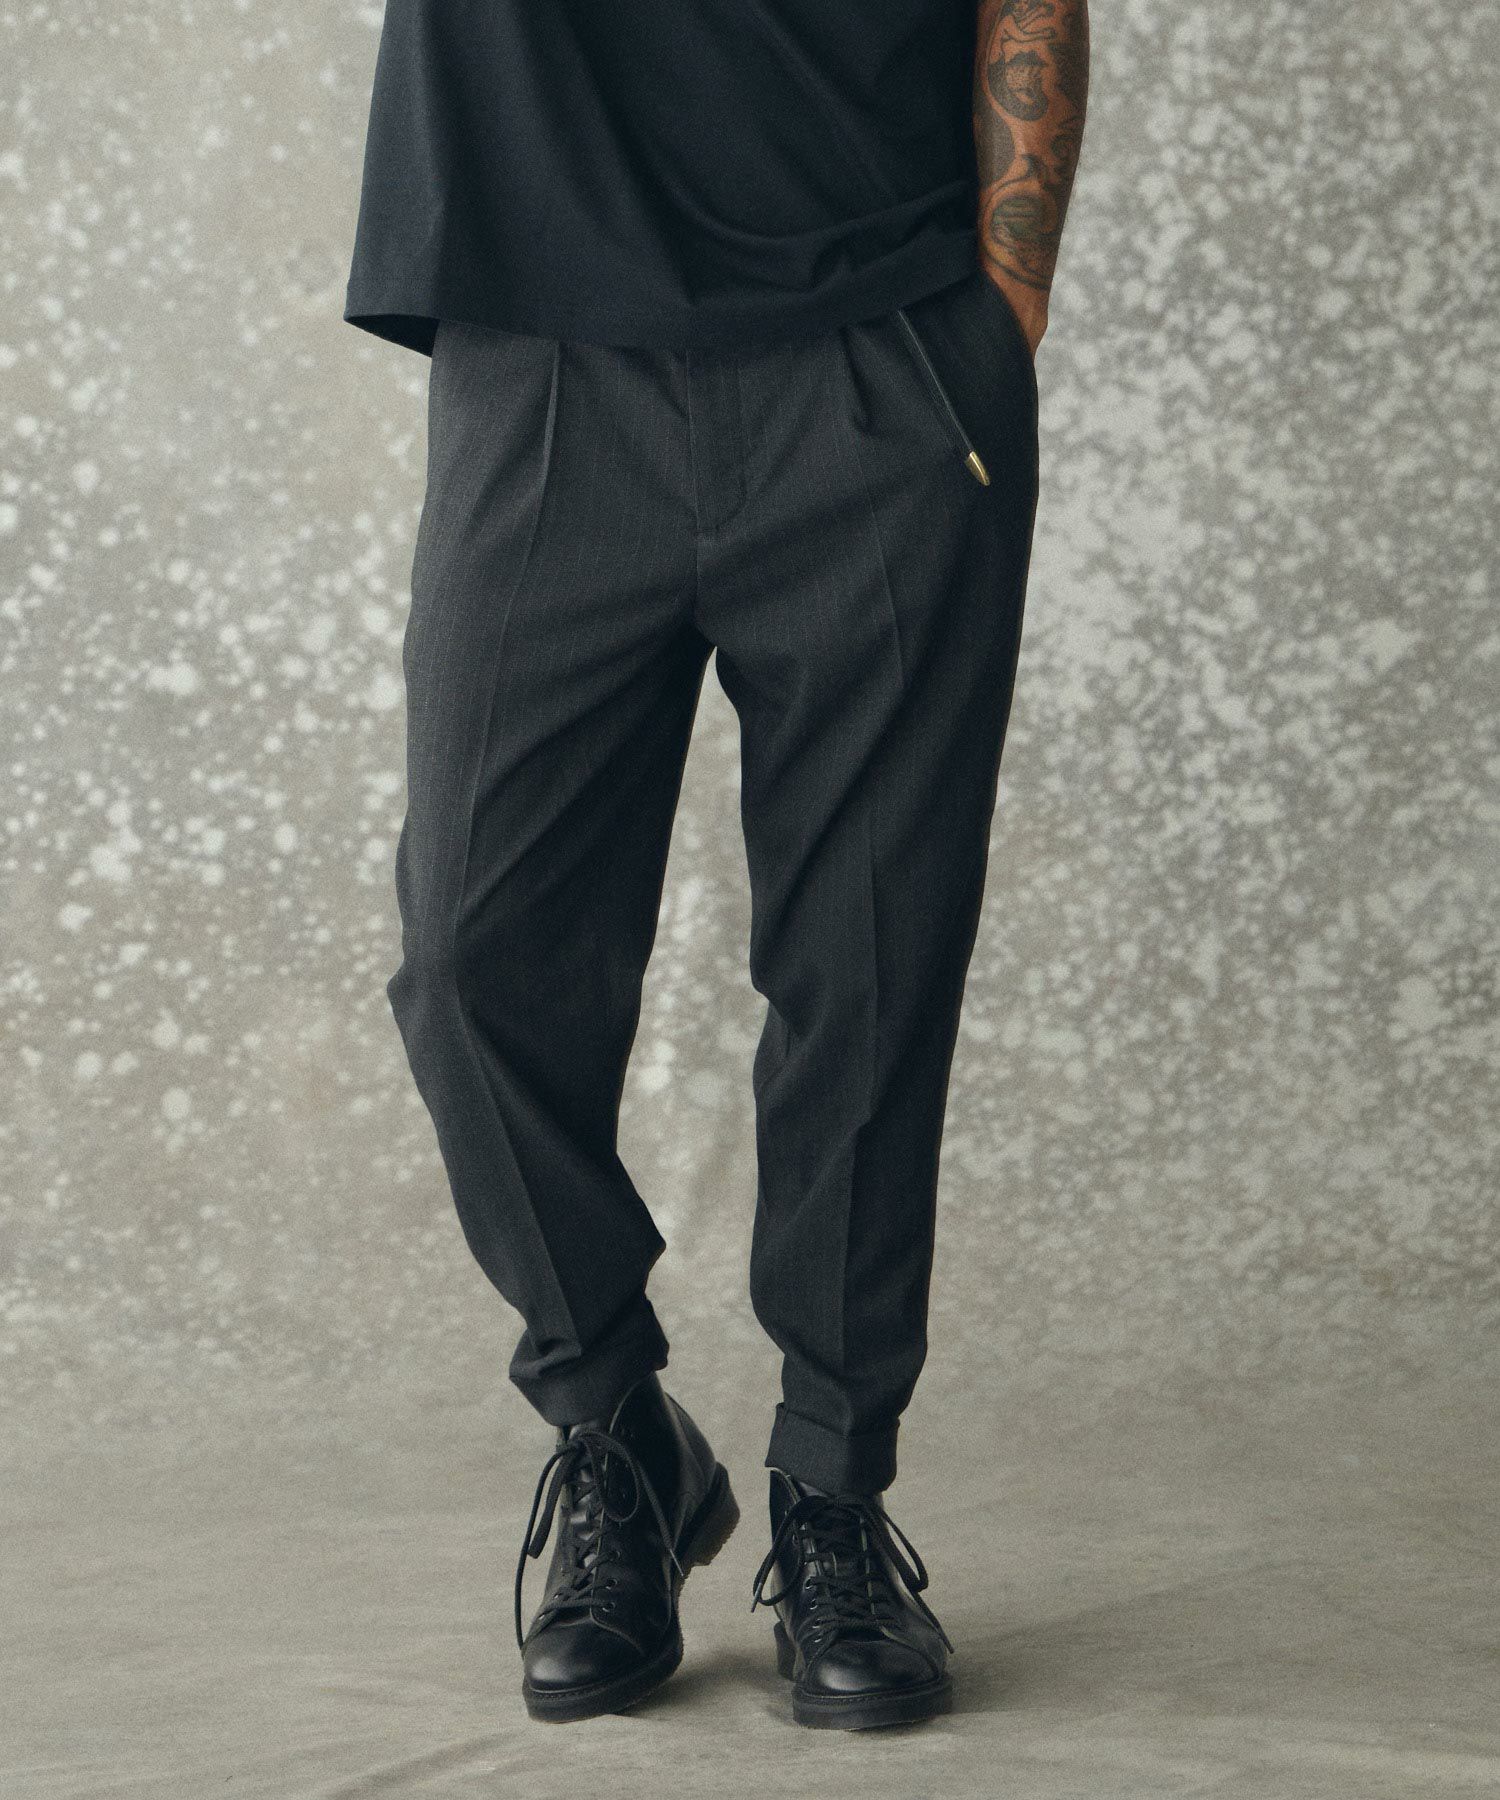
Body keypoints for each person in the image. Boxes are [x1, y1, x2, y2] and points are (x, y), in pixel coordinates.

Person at [344, 0, 1088, 1731]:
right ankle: (617, 1430)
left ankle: (834, 1488)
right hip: (547, 358)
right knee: (467, 957)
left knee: (871, 960)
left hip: (884, 353)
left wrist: (1002, 306)